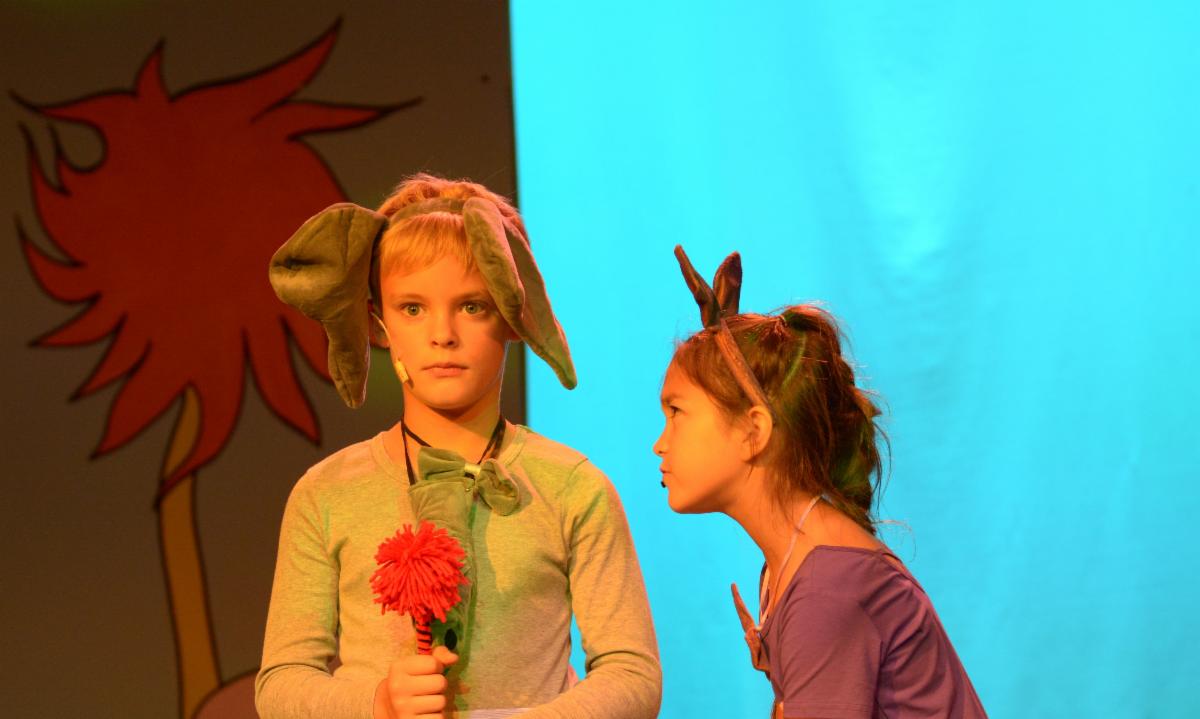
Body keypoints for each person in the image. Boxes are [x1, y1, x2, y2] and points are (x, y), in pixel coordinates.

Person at [256, 175, 661, 719]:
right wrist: (377, 703)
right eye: (412, 308)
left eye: (472, 306)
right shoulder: (327, 493)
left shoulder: (570, 487)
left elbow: (632, 674)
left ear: (514, 314)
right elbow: (281, 683)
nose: (442, 334)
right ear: (378, 323)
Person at [653, 247, 985, 718]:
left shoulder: (824, 589)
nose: (659, 444)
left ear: (753, 430)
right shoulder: (790, 568)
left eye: (676, 412)